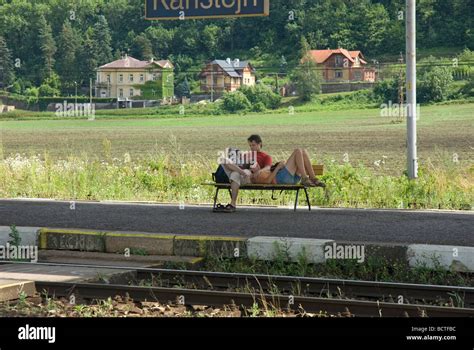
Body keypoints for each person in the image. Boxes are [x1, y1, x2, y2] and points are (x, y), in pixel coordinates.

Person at [218, 135, 273, 213]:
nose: (251, 147)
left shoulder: (266, 156)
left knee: (236, 174)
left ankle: (232, 204)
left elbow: (268, 167)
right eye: (250, 145)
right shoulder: (246, 155)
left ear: (260, 144)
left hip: (249, 174)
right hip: (241, 171)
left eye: (253, 145)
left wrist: (259, 171)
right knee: (224, 160)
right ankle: (233, 204)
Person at [251, 148, 326, 187]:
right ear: (251, 170)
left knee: (303, 152)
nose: (256, 165)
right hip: (281, 179)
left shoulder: (261, 171)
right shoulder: (256, 176)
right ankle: (305, 178)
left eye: (256, 164)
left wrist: (279, 166)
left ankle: (313, 178)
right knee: (297, 151)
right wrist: (278, 168)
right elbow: (267, 181)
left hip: (292, 179)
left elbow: (268, 166)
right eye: (253, 166)